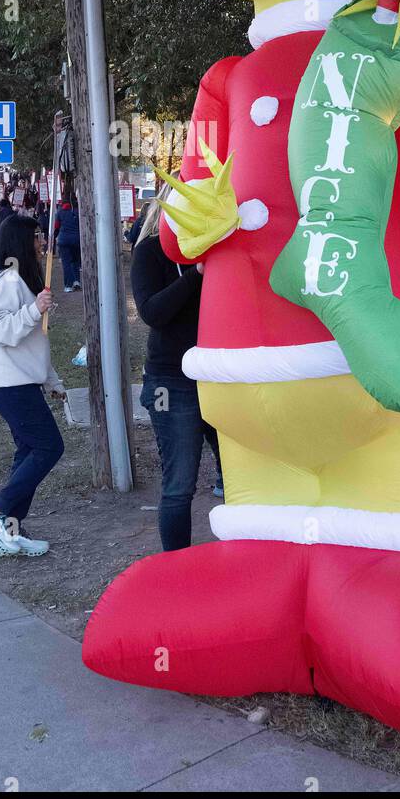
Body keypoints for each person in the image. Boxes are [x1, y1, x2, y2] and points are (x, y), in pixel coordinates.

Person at [131, 195, 223, 551]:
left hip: (220, 375)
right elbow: (152, 312)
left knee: (240, 474)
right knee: (180, 482)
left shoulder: (218, 249)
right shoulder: (151, 252)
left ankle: (246, 557)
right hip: (171, 382)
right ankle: (177, 566)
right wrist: (196, 275)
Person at [0, 216, 65, 557]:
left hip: (20, 380)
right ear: (20, 242)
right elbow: (0, 331)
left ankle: (9, 528)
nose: (41, 242)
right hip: (8, 383)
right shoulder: (8, 281)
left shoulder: (21, 280)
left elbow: (33, 342)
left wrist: (52, 379)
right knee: (48, 447)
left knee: (28, 451)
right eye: (37, 235)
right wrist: (32, 310)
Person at [54, 195, 82, 292]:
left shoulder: (60, 212)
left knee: (66, 263)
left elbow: (56, 226)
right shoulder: (78, 211)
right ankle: (77, 281)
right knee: (75, 261)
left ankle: (68, 285)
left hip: (63, 240)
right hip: (76, 240)